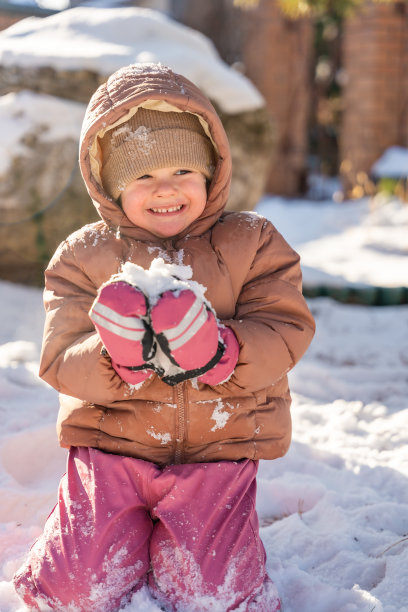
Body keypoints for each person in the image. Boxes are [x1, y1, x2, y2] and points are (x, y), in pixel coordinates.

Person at [13, 62, 315, 612]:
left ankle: (187, 544)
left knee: (214, 597)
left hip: (217, 455)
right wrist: (115, 355)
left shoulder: (253, 242)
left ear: (211, 172)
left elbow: (286, 326)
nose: (166, 189)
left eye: (182, 170)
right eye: (143, 177)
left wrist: (222, 352)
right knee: (74, 592)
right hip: (110, 451)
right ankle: (100, 531)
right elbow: (59, 358)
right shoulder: (83, 257)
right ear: (111, 186)